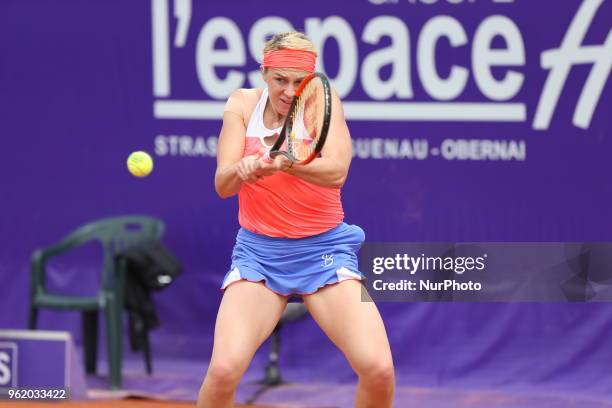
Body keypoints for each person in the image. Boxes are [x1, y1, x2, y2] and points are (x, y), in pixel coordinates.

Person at [197, 32, 395, 408]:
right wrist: (243, 168)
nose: (290, 91)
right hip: (259, 255)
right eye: (280, 80)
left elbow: (336, 171)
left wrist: (289, 162)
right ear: (264, 72)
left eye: (299, 81)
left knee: (378, 368)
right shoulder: (241, 104)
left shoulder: (323, 103)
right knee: (223, 371)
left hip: (325, 252)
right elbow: (223, 185)